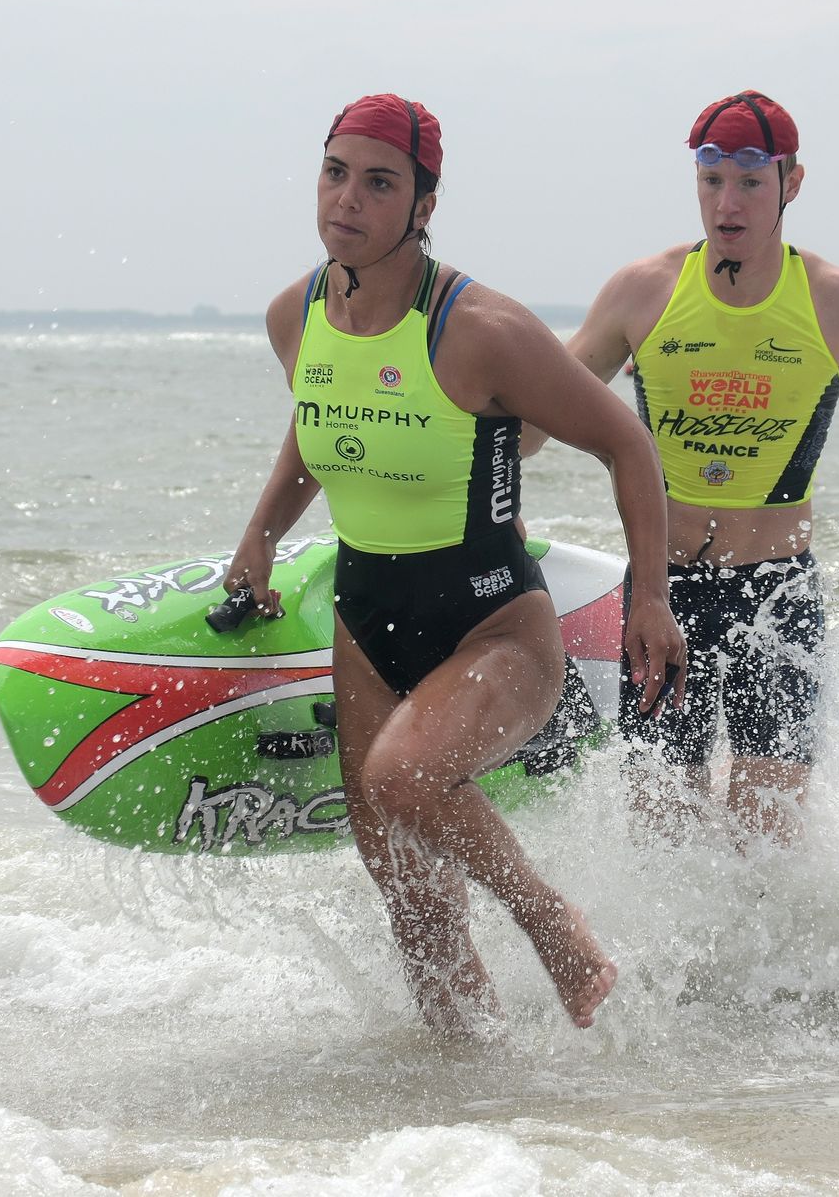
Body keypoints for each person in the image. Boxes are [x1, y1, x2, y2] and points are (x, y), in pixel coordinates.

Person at [222, 94, 686, 1035]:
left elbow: (627, 443)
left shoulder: (481, 330)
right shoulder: (293, 316)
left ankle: (551, 920)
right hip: (365, 622)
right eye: (335, 173)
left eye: (378, 182)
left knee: (403, 778)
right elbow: (323, 424)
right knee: (415, 907)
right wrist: (261, 534)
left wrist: (652, 598)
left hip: (493, 626)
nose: (347, 199)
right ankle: (472, 1094)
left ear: (423, 205)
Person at [536, 89, 839, 846]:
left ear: (792, 182)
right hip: (663, 590)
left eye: (751, 183)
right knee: (661, 836)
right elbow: (536, 417)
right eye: (712, 180)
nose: (727, 203)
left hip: (776, 596)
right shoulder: (643, 292)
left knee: (766, 842)